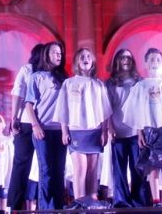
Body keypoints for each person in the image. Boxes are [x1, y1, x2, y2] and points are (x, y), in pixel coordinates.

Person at [122, 48, 162, 207]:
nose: (155, 62)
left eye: (158, 59)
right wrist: (139, 132)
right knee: (152, 167)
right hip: (149, 131)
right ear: (146, 63)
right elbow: (136, 110)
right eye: (151, 59)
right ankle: (156, 201)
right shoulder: (140, 86)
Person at [53, 48, 111, 204]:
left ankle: (91, 202)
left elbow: (105, 110)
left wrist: (104, 131)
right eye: (82, 57)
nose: (86, 59)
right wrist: (64, 131)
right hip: (76, 131)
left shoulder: (98, 84)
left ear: (92, 62)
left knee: (92, 171)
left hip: (94, 131)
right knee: (80, 169)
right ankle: (79, 203)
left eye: (89, 57)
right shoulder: (69, 83)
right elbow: (63, 108)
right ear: (77, 62)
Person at [25, 41, 68, 209]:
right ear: (47, 55)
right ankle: (45, 208)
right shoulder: (36, 77)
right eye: (55, 52)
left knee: (59, 171)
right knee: (46, 170)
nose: (59, 55)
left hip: (61, 131)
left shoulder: (64, 78)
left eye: (60, 53)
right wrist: (35, 126)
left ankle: (58, 208)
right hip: (43, 130)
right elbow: (29, 104)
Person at [105, 48, 150, 207]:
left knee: (137, 168)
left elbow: (143, 107)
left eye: (129, 58)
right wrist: (110, 128)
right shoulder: (110, 83)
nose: (126, 60)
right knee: (119, 169)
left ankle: (139, 201)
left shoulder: (139, 82)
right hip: (118, 131)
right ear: (117, 61)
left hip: (136, 132)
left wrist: (141, 130)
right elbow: (107, 108)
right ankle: (121, 201)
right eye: (123, 57)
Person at [7, 43, 45, 210]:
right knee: (23, 164)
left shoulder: (49, 72)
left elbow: (18, 93)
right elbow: (18, 93)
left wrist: (14, 118)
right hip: (27, 122)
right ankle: (16, 206)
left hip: (43, 123)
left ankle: (25, 206)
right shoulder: (27, 69)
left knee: (30, 165)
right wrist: (14, 118)